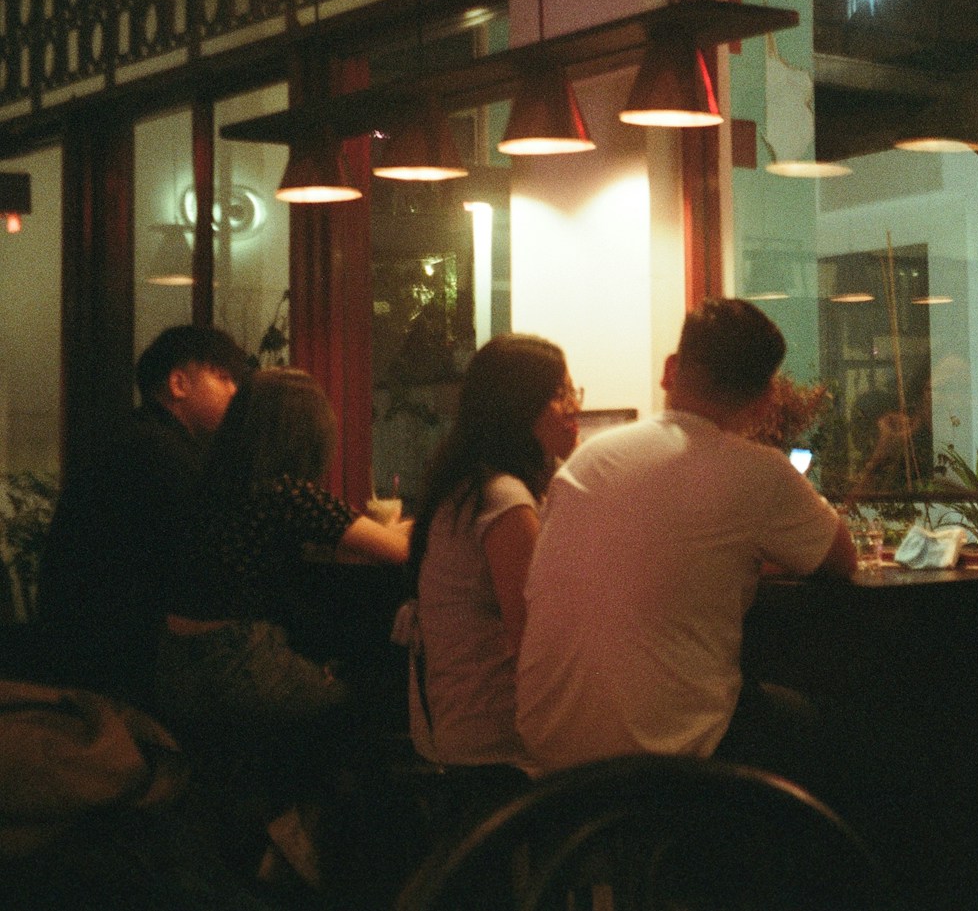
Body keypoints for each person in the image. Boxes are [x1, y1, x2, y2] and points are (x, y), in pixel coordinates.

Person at [516, 299, 856, 777]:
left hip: (551, 744)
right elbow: (840, 560)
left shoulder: (590, 457)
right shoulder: (758, 470)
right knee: (822, 730)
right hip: (671, 755)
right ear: (763, 402)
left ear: (670, 370)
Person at [153, 368, 411, 885]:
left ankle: (274, 838)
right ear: (308, 435)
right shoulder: (287, 494)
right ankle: (324, 857)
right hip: (239, 664)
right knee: (365, 711)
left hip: (172, 665)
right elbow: (400, 551)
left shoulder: (211, 485)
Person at [37, 324, 249, 705]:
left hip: (86, 645)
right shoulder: (159, 453)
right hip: (117, 662)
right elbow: (210, 562)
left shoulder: (141, 438)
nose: (234, 392)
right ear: (179, 384)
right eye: (223, 378)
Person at [402, 334, 578, 776]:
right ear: (518, 408)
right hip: (492, 740)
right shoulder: (504, 498)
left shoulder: (469, 484)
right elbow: (530, 638)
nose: (574, 406)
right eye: (559, 394)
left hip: (457, 728)